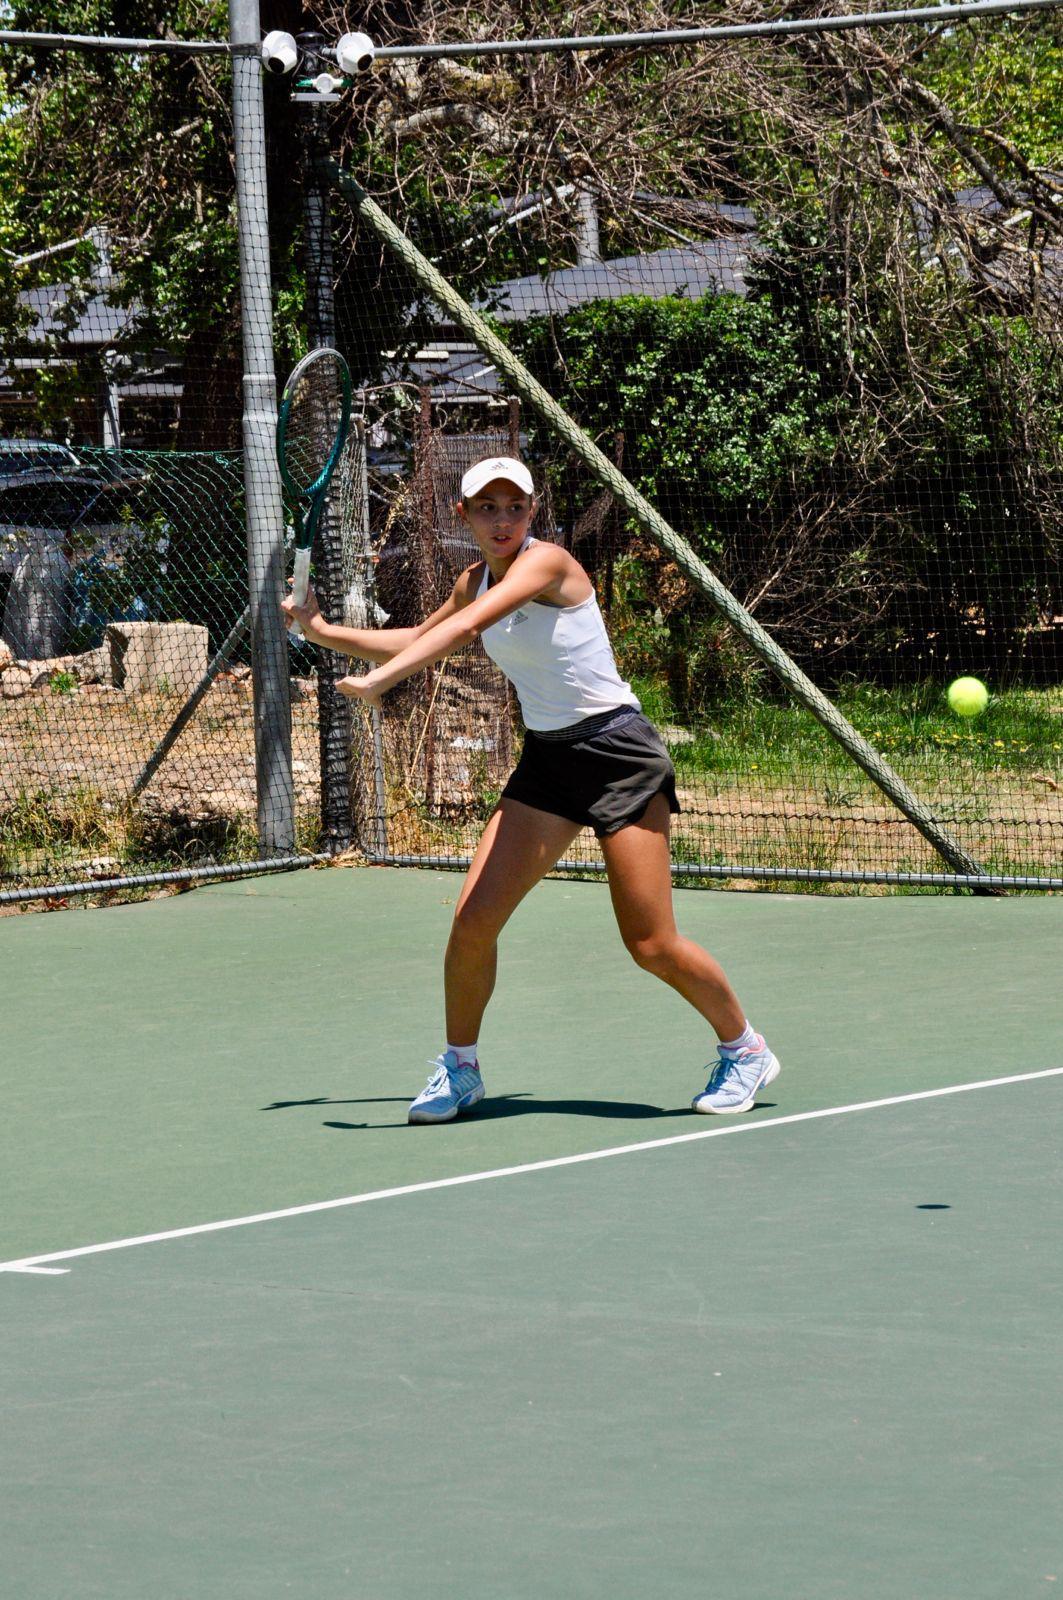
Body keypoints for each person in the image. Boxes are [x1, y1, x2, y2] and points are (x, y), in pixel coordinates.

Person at [282, 455, 779, 1124]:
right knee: (472, 922)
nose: (503, 520)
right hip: (549, 759)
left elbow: (463, 632)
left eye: (514, 506)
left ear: (531, 512)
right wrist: (320, 631)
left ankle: (745, 1050)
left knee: (650, 944)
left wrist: (381, 683)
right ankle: (461, 1067)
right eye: (487, 508)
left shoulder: (548, 564)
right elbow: (422, 635)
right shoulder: (472, 580)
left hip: (619, 755)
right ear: (463, 514)